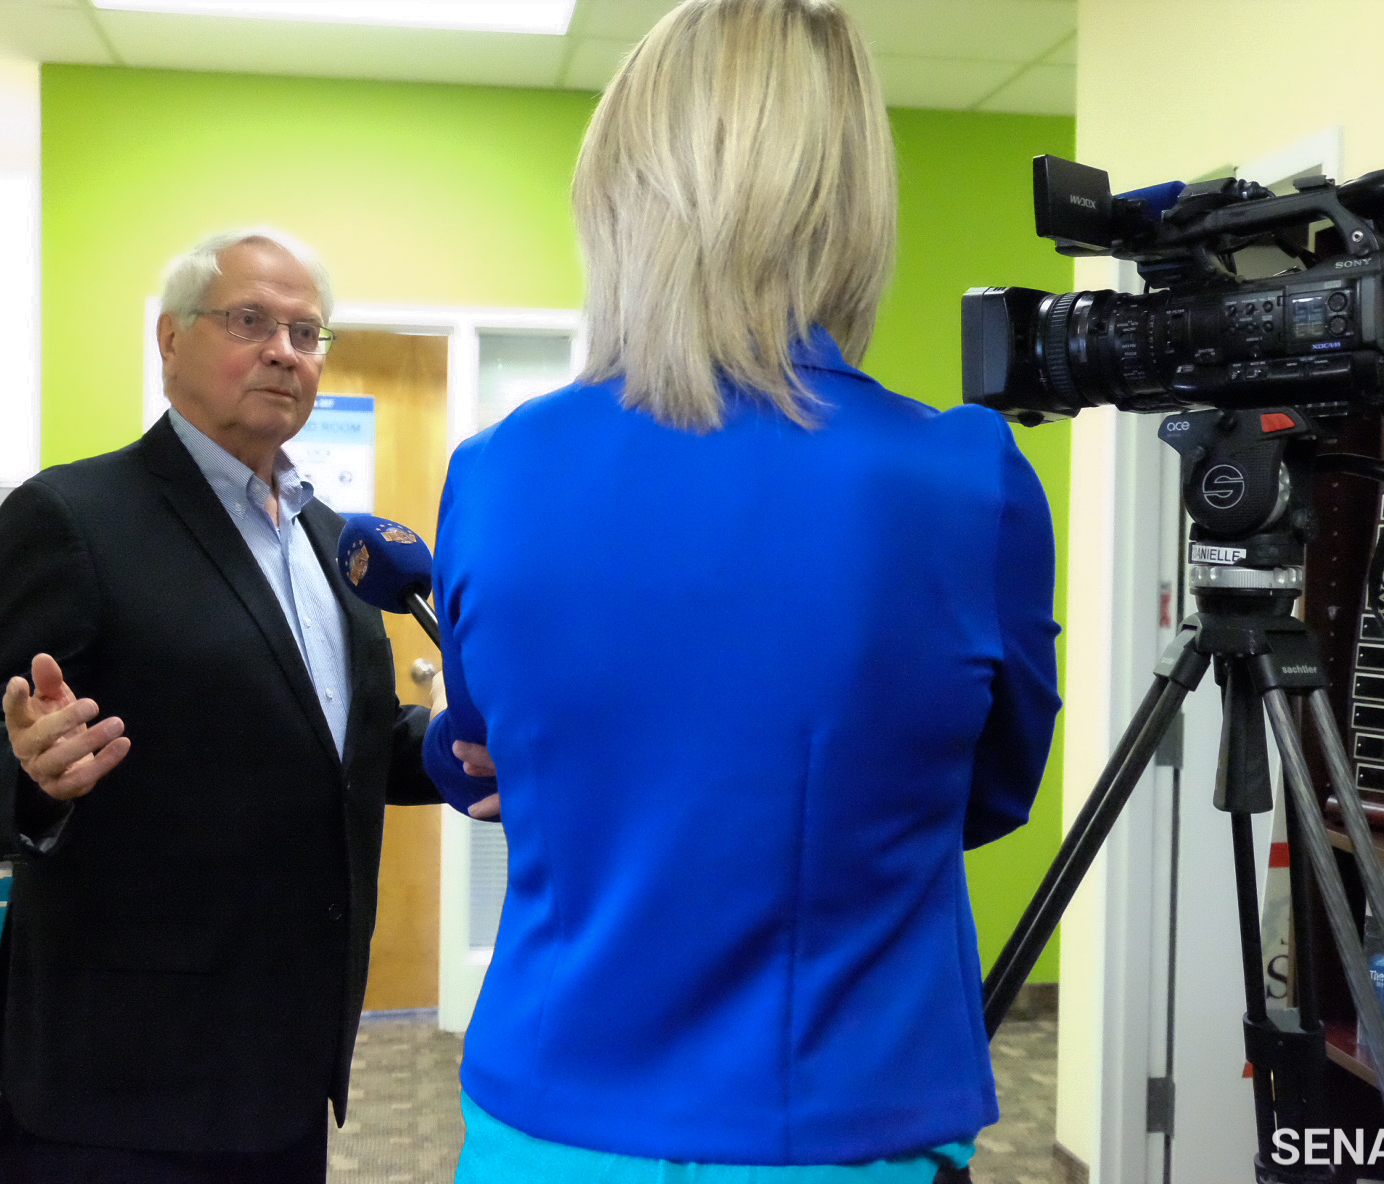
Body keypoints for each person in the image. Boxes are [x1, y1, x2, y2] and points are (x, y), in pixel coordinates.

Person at [420, 1, 1062, 1181]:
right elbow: (985, 795)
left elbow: (476, 754)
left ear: (617, 195)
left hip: (546, 1128)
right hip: (834, 1123)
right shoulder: (967, 484)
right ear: (851, 204)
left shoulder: (495, 473)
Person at [0, 227, 439, 1183]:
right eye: (250, 321)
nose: (284, 350)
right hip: (123, 1082)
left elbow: (341, 744)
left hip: (288, 1058)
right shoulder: (72, 518)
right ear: (169, 340)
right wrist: (33, 774)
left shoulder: (329, 538)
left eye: (307, 332)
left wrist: (453, 750)